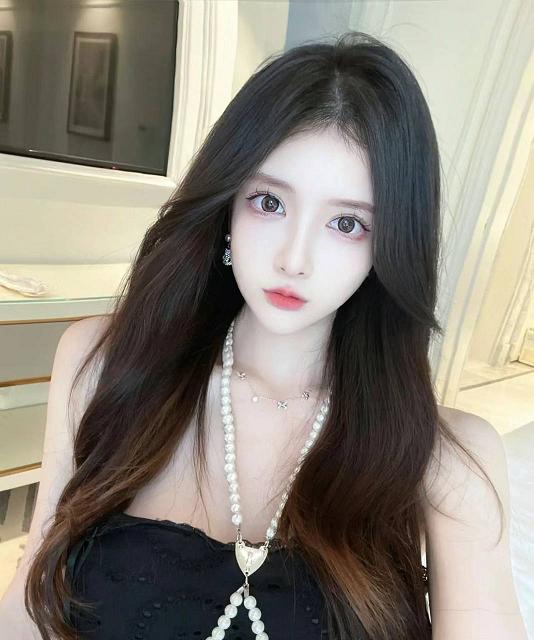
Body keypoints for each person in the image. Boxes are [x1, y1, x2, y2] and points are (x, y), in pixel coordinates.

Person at [0, 30, 526, 640]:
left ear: (388, 249)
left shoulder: (450, 459)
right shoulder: (103, 364)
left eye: (347, 223)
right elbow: (30, 603)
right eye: (270, 203)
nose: (294, 259)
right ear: (227, 204)